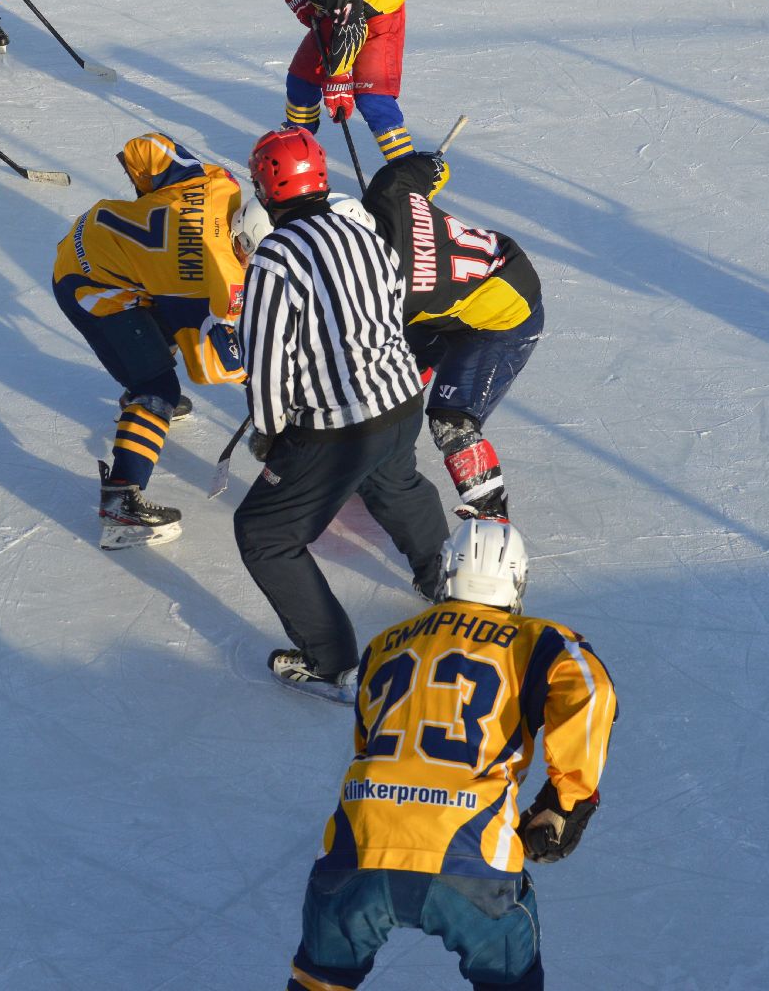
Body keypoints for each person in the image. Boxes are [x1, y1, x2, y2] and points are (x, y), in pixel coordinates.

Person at [283, 518, 617, 991]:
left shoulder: (384, 643)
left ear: (445, 571)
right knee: (510, 982)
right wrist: (569, 800)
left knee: (319, 981)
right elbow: (592, 692)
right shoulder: (537, 641)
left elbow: (368, 739)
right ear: (518, 580)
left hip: (359, 845)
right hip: (470, 856)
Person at [235, 127, 448, 703]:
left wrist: (271, 433)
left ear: (266, 187)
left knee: (264, 534)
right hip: (401, 400)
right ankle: (447, 581)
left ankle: (330, 663)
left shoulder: (276, 256)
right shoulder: (363, 233)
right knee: (395, 484)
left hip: (340, 427)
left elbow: (266, 357)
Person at [52, 133, 247, 550]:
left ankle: (139, 397)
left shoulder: (219, 183)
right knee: (158, 388)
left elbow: (149, 151)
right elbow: (209, 368)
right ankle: (121, 504)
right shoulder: (202, 267)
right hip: (92, 289)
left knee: (162, 332)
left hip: (94, 246)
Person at [336, 152, 545, 522]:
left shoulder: (389, 292)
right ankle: (373, 462)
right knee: (388, 380)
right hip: (481, 278)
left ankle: (491, 514)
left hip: (503, 320)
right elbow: (429, 167)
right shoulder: (389, 190)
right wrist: (434, 164)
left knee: (451, 420)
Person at [266, 0, 415, 164]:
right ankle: (297, 153)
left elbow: (352, 30)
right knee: (301, 80)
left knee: (372, 97)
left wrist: (338, 77)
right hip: (341, 5)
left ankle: (408, 172)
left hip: (378, 12)